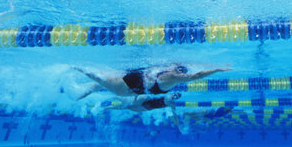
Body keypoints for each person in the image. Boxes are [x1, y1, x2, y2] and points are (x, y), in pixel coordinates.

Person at [73, 64, 231, 99]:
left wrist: (217, 70)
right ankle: (77, 93)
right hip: (126, 86)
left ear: (178, 73)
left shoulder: (170, 78)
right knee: (95, 86)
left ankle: (70, 66)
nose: (173, 67)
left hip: (122, 86)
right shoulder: (169, 72)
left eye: (176, 68)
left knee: (95, 76)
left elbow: (196, 76)